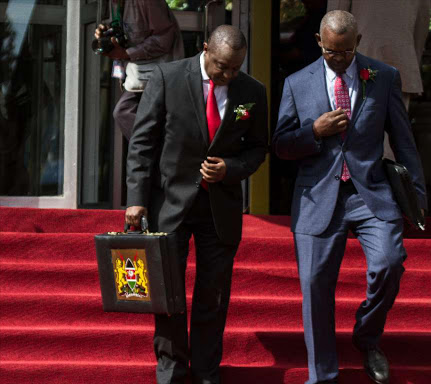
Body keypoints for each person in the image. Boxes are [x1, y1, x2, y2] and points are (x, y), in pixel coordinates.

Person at [272, 11, 426, 384]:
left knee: (390, 263)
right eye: (329, 52)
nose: (337, 58)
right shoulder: (296, 82)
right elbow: (280, 146)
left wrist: (417, 197)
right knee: (314, 285)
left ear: (356, 44)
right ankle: (322, 375)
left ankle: (367, 337)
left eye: (344, 52)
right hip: (317, 195)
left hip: (370, 193)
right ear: (318, 41)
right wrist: (314, 130)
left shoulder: (383, 77)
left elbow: (404, 142)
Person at [124, 25, 268, 384]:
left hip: (220, 210)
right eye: (222, 66)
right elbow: (143, 142)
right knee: (169, 293)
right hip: (169, 204)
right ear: (205, 50)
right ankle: (171, 369)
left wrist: (230, 168)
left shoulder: (252, 91)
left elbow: (257, 148)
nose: (228, 74)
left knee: (213, 295)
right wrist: (136, 201)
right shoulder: (168, 77)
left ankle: (206, 372)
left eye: (235, 68)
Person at [327, 0, 430, 159]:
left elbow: (334, 19)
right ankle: (388, 181)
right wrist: (413, 60)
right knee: (394, 140)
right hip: (402, 60)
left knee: (356, 137)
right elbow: (422, 23)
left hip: (360, 58)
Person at [94, 0, 184, 140]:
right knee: (137, 116)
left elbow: (165, 38)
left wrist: (127, 53)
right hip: (136, 74)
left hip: (159, 72)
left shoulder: (147, 2)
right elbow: (122, 33)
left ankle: (157, 152)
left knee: (124, 111)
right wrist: (106, 34)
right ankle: (156, 153)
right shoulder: (113, 4)